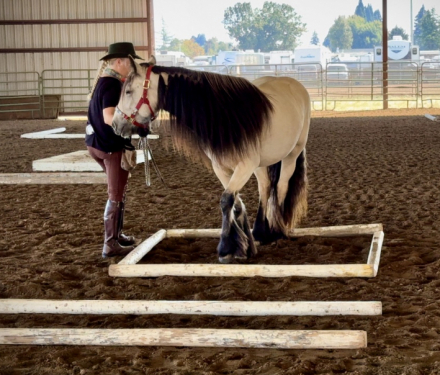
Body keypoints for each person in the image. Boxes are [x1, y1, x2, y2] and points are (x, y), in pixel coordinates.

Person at [85, 42, 149, 258]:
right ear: (120, 61)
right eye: (131, 62)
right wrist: (136, 126)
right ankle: (110, 244)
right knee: (115, 195)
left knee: (119, 191)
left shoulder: (105, 82)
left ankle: (116, 235)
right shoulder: (112, 85)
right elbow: (109, 117)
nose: (133, 67)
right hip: (109, 146)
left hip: (96, 143)